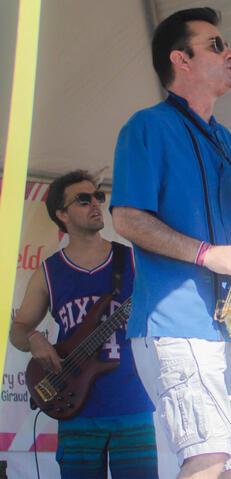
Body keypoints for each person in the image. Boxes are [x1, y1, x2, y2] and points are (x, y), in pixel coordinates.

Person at [109, 7, 231, 479]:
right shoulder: (146, 126)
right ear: (182, 59)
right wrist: (207, 254)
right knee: (208, 458)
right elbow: (127, 218)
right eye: (216, 45)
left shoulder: (223, 137)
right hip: (178, 321)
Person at [10, 170, 157, 479]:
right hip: (76, 409)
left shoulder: (131, 260)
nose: (95, 204)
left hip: (130, 404)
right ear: (61, 214)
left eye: (98, 197)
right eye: (83, 199)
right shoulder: (48, 272)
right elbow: (19, 328)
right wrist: (35, 338)